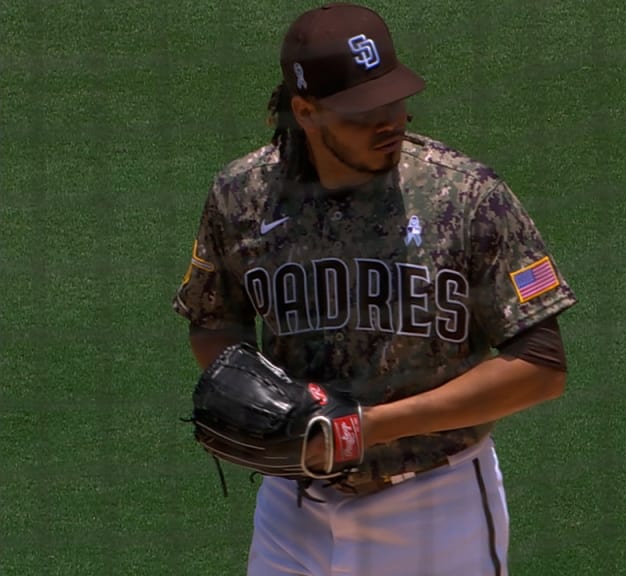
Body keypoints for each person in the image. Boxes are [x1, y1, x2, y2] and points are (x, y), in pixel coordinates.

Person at [171, 3, 577, 575]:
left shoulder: (466, 196)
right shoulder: (242, 196)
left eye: (394, 99)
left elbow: (541, 366)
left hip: (436, 505)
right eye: (363, 112)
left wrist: (365, 428)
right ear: (306, 112)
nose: (390, 120)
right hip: (294, 508)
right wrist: (251, 388)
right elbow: (214, 321)